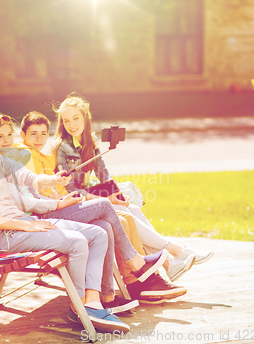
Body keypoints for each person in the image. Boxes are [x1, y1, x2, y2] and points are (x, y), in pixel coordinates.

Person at [0, 109, 170, 332]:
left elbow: (33, 179)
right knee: (77, 242)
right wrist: (28, 224)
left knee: (99, 233)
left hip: (26, 225)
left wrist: (54, 179)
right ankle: (79, 307)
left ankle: (92, 303)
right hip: (4, 235)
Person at [0, 112, 185, 310]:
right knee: (106, 206)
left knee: (107, 225)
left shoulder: (18, 159)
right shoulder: (15, 159)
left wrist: (60, 194)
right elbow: (26, 202)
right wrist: (59, 203)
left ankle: (107, 297)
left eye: (9, 135)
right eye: (0, 136)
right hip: (39, 218)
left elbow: (39, 187)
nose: (7, 140)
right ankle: (137, 267)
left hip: (50, 208)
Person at [52, 93, 214, 291]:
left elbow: (103, 174)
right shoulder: (62, 147)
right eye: (66, 120)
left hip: (91, 195)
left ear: (85, 117)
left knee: (132, 209)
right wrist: (105, 197)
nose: (72, 124)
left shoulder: (89, 142)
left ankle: (169, 264)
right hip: (73, 203)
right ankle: (176, 252)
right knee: (124, 213)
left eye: (76, 118)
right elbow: (70, 190)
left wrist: (117, 195)